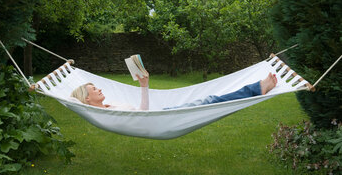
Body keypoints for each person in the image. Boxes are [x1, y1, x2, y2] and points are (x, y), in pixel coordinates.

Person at [70, 73, 277, 111]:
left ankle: (256, 88)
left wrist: (144, 84)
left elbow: (141, 113)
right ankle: (257, 88)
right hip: (161, 116)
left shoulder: (109, 107)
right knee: (211, 99)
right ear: (87, 98)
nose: (100, 88)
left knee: (209, 98)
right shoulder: (107, 113)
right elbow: (141, 115)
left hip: (163, 113)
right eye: (94, 88)